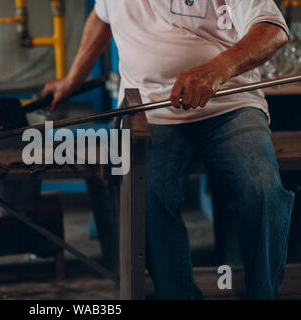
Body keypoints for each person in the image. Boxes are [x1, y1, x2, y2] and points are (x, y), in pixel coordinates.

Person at [42, 0, 295, 299]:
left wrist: (217, 69)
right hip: (151, 110)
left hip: (230, 102)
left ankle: (263, 293)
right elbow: (102, 18)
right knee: (147, 196)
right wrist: (73, 80)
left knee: (262, 190)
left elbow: (272, 29)